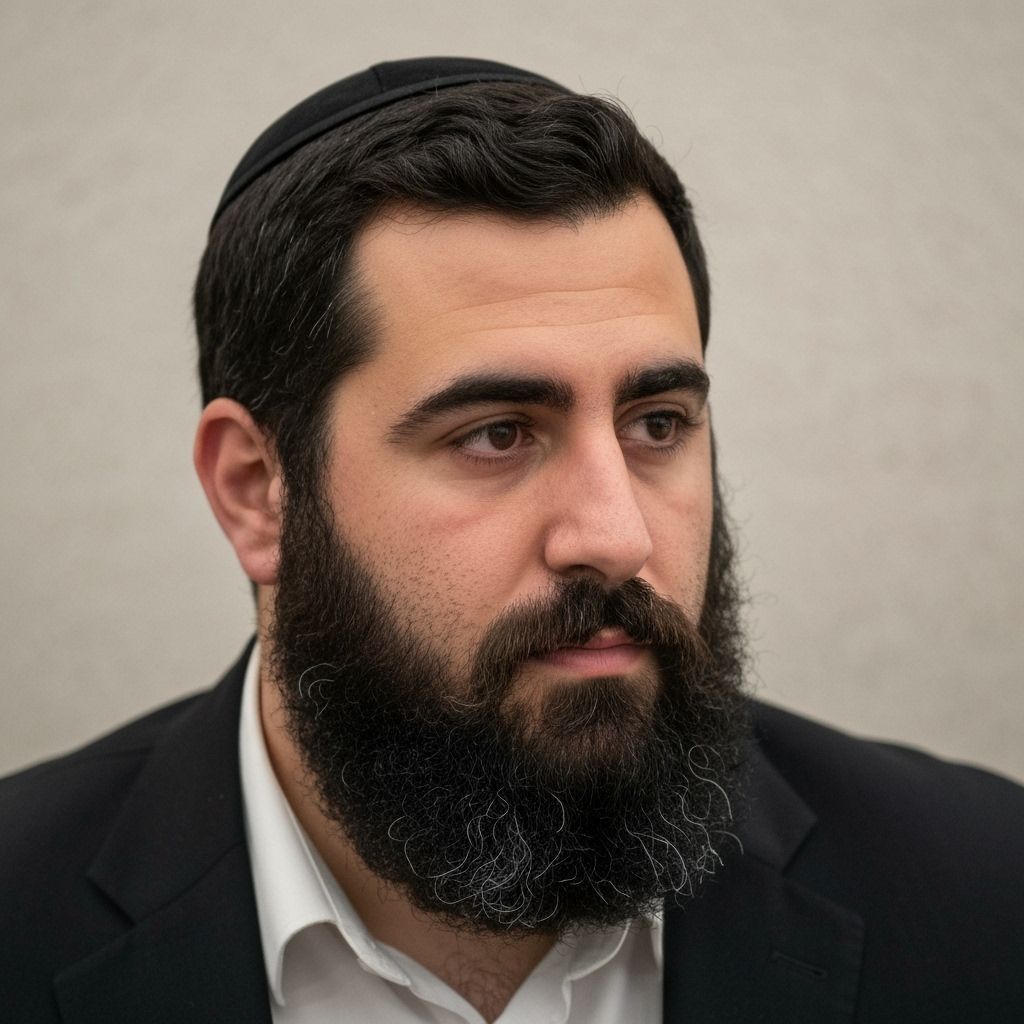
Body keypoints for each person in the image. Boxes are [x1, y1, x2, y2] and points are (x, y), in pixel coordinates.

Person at [1, 56, 1022, 1024]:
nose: (615, 536)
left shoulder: (982, 898)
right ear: (256, 490)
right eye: (496, 435)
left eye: (656, 423)